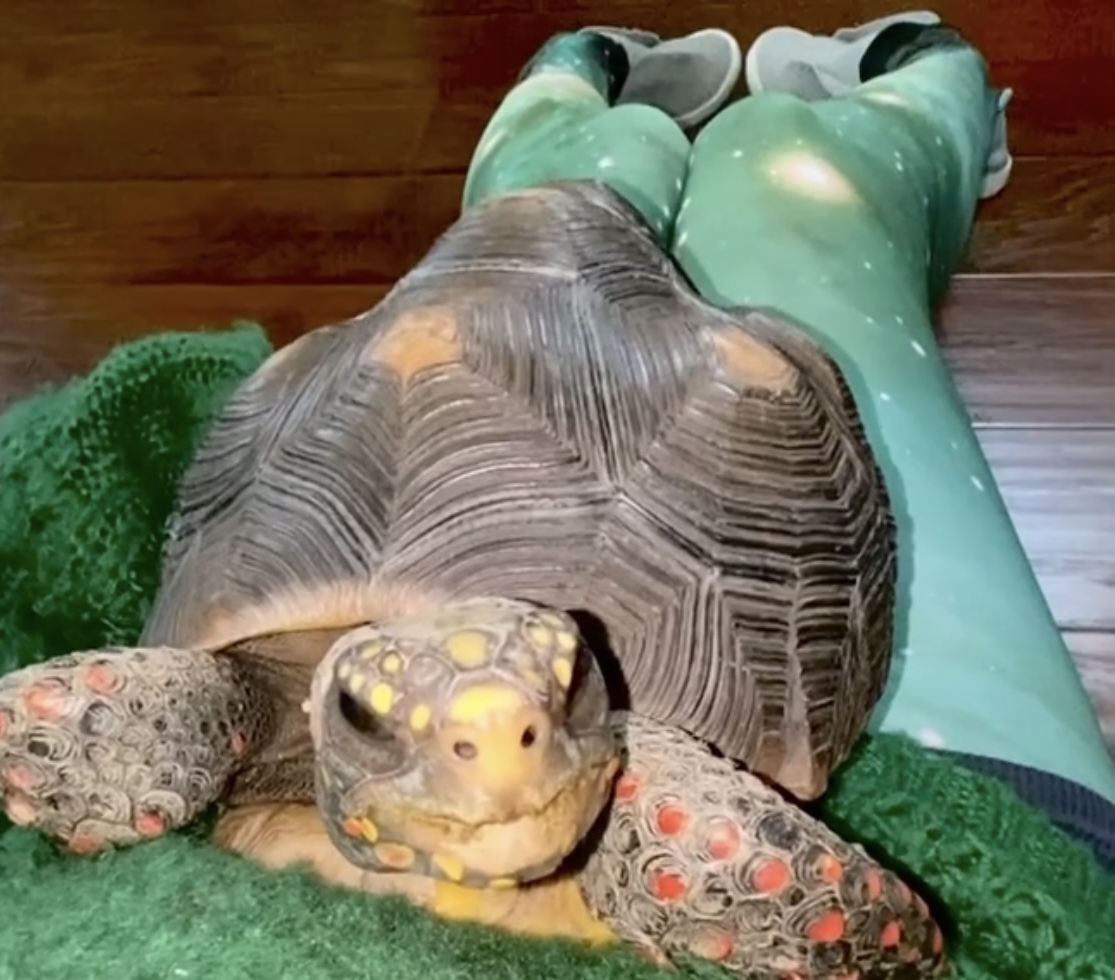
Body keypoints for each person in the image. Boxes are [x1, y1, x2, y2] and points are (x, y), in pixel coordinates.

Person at [462, 11, 1115, 842]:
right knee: (776, 175)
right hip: (958, 804)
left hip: (449, 744)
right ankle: (914, 79)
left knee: (551, 238)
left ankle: (580, 90)